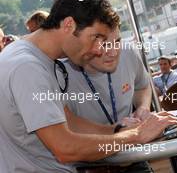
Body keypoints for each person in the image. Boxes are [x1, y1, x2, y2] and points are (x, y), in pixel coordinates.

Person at [0, 0, 177, 173]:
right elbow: (65, 148)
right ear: (69, 24)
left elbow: (70, 122)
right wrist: (136, 136)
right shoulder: (28, 67)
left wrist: (118, 129)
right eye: (96, 38)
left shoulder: (35, 58)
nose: (98, 50)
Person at [64, 28, 153, 172]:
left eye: (117, 41)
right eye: (104, 45)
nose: (114, 52)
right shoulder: (60, 72)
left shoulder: (128, 52)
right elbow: (67, 127)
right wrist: (117, 130)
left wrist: (143, 107)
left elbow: (142, 85)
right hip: (90, 165)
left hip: (133, 158)